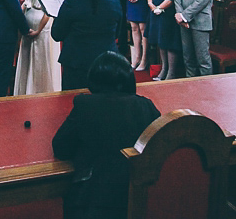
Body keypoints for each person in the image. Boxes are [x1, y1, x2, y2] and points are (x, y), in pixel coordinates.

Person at [52, 51, 161, 219]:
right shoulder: (145, 106)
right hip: (138, 197)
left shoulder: (85, 105)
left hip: (93, 199)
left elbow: (61, 147)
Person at [52, 0, 123, 90]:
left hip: (77, 65)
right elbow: (117, 34)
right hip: (106, 64)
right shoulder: (114, 1)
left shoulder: (72, 2)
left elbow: (56, 34)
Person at [13, 0, 61, 95]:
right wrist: (21, 22)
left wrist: (38, 30)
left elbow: (50, 11)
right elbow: (26, 2)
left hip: (43, 28)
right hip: (27, 25)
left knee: (40, 60)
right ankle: (25, 91)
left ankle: (40, 91)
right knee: (27, 58)